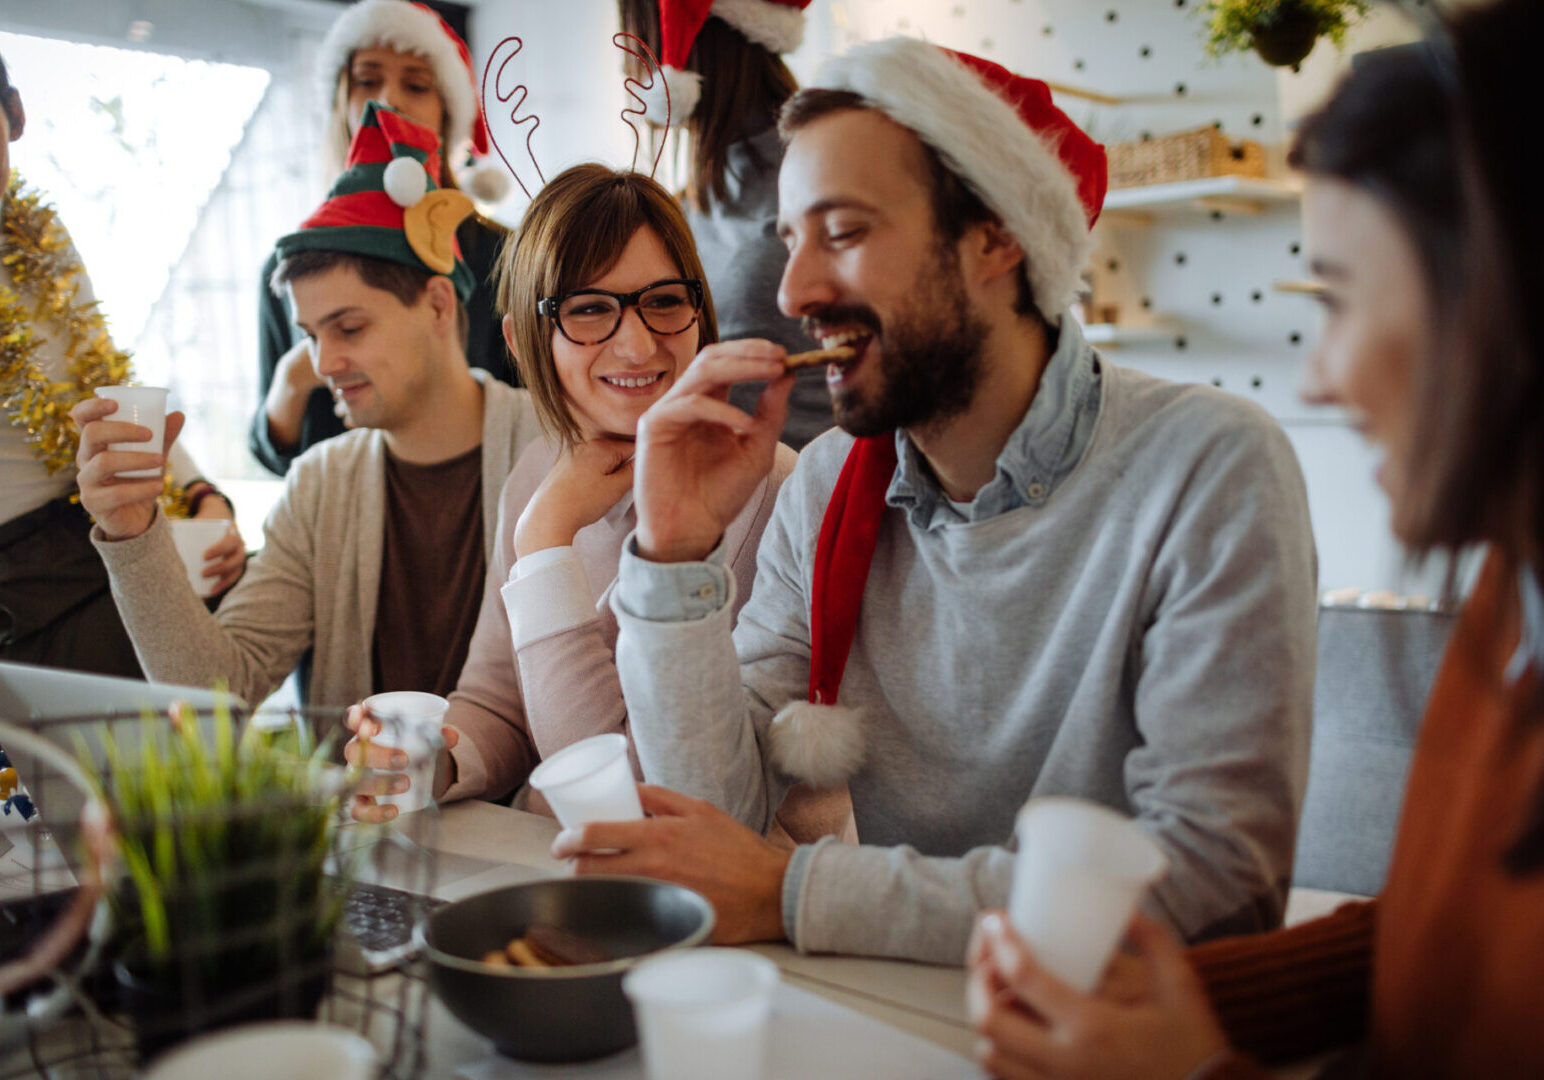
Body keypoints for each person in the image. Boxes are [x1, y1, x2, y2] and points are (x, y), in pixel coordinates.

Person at [554, 38, 1317, 961]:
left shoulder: (1210, 467)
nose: (794, 292)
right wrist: (672, 557)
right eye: (790, 242)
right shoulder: (831, 482)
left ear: (997, 234)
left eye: (843, 232)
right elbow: (714, 825)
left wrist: (800, 893)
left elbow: (1211, 884)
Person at [965, 6, 1544, 1077]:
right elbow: (1437, 924)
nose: (1315, 377)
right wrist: (1181, 997)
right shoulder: (1515, 599)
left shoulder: (1209, 460)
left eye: (1339, 297)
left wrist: (1191, 1070)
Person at [346, 163, 848, 842]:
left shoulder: (776, 494)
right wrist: (432, 762)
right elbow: (499, 701)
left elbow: (632, 801)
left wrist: (547, 540)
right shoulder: (539, 476)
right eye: (588, 310)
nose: (637, 342)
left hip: (717, 895)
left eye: (665, 300)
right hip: (551, 867)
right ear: (525, 343)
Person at [74, 102, 542, 712]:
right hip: (364, 811)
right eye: (311, 335)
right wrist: (133, 533)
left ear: (436, 306)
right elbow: (219, 693)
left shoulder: (552, 445)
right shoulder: (320, 485)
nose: (321, 365)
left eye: (348, 327)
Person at [1, 51, 244, 678]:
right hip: (21, 595)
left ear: (16, 115)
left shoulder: (39, 235)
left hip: (107, 545)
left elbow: (103, 375)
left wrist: (200, 493)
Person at [252, 0, 515, 477]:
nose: (389, 99)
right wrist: (292, 381)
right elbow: (277, 457)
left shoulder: (506, 257)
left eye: (416, 84)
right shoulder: (288, 266)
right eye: (367, 80)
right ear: (340, 102)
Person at [618, 0, 831, 450]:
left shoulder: (817, 173)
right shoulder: (694, 197)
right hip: (719, 491)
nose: (627, 69)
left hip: (809, 488)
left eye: (634, 39)